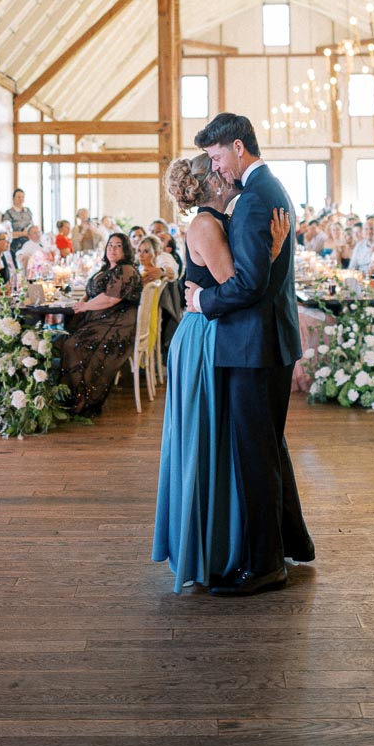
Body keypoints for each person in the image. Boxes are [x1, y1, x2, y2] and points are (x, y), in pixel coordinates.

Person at [186, 113, 314, 597]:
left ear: (238, 148)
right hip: (264, 343)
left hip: (253, 346)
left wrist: (202, 301)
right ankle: (292, 541)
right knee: (270, 447)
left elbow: (250, 283)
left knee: (255, 455)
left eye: (218, 157)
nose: (216, 169)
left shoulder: (256, 198)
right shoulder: (265, 191)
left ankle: (264, 565)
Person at [153, 155, 291, 592]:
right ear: (212, 183)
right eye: (219, 169)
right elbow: (238, 285)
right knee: (207, 440)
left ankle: (223, 543)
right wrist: (273, 249)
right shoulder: (206, 226)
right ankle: (214, 548)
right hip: (204, 335)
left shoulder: (213, 220)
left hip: (212, 330)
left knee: (218, 441)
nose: (227, 173)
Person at [56, 232, 143, 416]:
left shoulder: (126, 270)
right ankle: (67, 395)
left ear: (126, 250)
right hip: (101, 318)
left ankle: (82, 399)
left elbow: (111, 298)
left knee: (74, 344)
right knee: (62, 339)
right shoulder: (105, 270)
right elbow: (91, 292)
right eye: (110, 245)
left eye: (118, 245)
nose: (113, 249)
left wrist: (85, 307)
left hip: (116, 322)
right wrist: (81, 303)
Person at [1, 189, 33, 261]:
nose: (21, 199)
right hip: (15, 244)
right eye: (18, 197)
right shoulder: (8, 213)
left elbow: (32, 225)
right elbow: (7, 233)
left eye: (22, 197)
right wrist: (22, 233)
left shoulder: (28, 211)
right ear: (13, 199)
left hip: (29, 241)